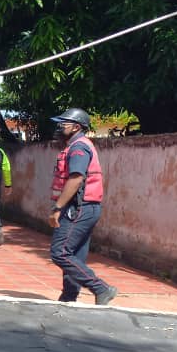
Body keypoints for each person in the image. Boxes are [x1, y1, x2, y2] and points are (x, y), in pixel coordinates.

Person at [48, 107, 117, 305]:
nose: (59, 127)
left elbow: (76, 178)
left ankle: (101, 288)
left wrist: (57, 208)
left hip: (78, 208)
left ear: (77, 127)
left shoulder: (78, 148)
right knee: (75, 254)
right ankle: (69, 297)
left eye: (64, 124)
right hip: (86, 208)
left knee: (60, 252)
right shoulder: (77, 146)